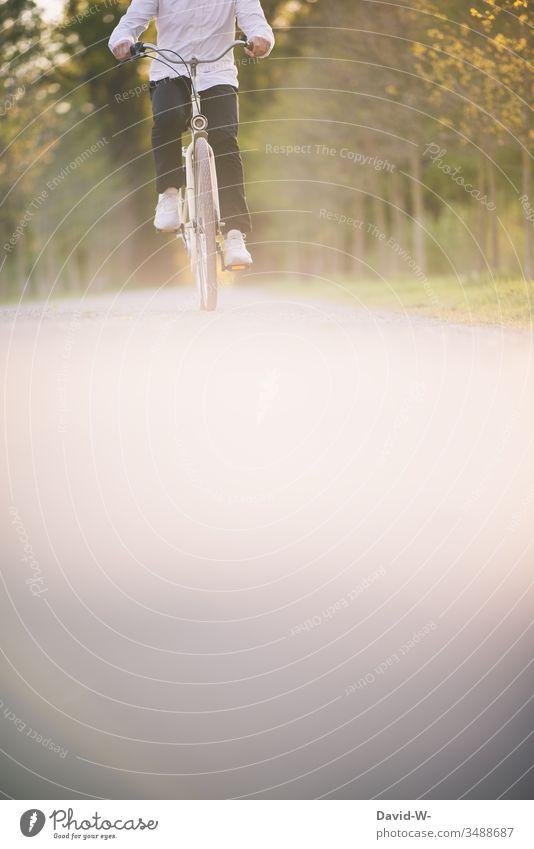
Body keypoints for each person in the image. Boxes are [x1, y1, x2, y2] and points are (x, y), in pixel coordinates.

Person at [109, 0, 274, 268]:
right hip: (170, 71)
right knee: (168, 118)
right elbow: (131, 21)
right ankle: (169, 195)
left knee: (224, 139)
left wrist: (260, 38)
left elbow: (255, 20)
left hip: (217, 74)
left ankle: (234, 235)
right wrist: (123, 40)